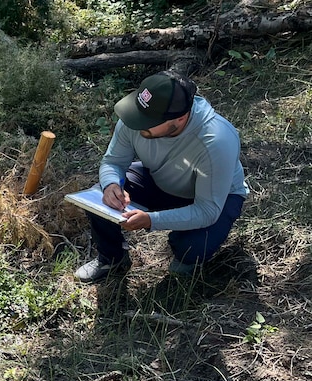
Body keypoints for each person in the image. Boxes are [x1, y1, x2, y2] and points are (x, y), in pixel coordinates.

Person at [74, 70, 249, 283]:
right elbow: (113, 161)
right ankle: (111, 258)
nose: (137, 124)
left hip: (216, 198)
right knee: (99, 196)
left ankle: (188, 256)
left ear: (180, 118)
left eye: (148, 120)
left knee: (190, 248)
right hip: (161, 179)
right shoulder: (134, 118)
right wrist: (111, 184)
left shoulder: (217, 141)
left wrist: (151, 220)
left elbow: (207, 210)